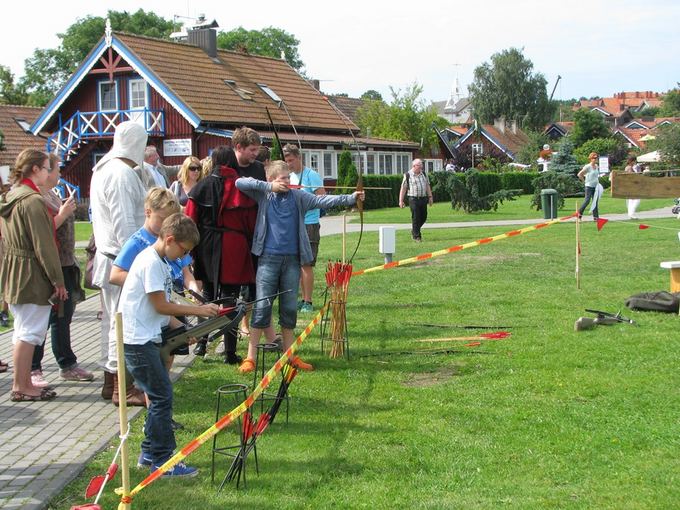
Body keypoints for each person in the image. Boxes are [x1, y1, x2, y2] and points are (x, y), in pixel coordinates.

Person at [235, 161, 363, 373]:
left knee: (288, 309)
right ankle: (251, 358)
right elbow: (240, 182)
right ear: (272, 180)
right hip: (268, 258)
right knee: (263, 306)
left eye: (288, 177)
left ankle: (290, 356)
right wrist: (269, 187)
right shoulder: (264, 195)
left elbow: (322, 200)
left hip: (292, 260)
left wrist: (351, 198)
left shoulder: (298, 197)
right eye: (282, 178)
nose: (287, 181)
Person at [119, 213, 219, 477]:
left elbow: (162, 311)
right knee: (162, 396)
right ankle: (163, 461)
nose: (182, 256)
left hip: (147, 337)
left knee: (160, 394)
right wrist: (198, 311)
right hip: (137, 341)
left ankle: (150, 453)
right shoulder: (150, 262)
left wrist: (184, 329)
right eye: (183, 250)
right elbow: (160, 305)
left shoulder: (161, 262)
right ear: (170, 239)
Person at [0, 149, 66, 402]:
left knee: (22, 330)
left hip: (15, 268)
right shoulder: (33, 200)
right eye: (47, 168)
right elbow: (44, 245)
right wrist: (57, 280)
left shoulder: (12, 196)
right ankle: (21, 384)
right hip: (31, 272)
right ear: (35, 169)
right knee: (29, 332)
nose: (50, 172)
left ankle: (24, 381)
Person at [90, 121, 148, 405]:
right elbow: (125, 224)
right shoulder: (120, 174)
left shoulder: (104, 169)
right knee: (119, 324)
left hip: (111, 255)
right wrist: (137, 262)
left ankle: (109, 382)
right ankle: (120, 389)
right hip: (119, 258)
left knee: (111, 323)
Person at [185, 145, 259, 362]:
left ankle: (201, 345)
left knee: (208, 294)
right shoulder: (241, 188)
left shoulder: (201, 187)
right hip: (233, 246)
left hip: (206, 245)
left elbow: (190, 221)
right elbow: (251, 224)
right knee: (230, 299)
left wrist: (191, 249)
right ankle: (229, 353)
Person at [30, 153, 94, 386]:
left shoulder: (50, 194)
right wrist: (63, 214)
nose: (57, 174)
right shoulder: (36, 198)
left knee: (62, 317)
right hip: (49, 266)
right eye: (54, 169)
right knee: (43, 319)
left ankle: (67, 363)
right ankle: (33, 367)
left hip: (65, 263)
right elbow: (42, 232)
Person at [283, 143, 325, 313]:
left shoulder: (311, 175)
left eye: (291, 160)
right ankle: (302, 298)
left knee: (306, 264)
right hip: (294, 224)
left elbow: (322, 198)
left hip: (309, 224)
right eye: (286, 161)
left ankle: (308, 301)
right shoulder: (289, 176)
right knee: (297, 264)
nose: (289, 164)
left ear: (299, 157)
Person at [398, 159, 433, 242]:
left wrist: (430, 197)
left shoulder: (424, 174)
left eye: (421, 165)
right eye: (419, 165)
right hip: (413, 199)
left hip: (423, 198)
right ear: (414, 166)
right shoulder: (408, 175)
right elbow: (403, 188)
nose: (421, 167)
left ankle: (414, 230)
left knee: (424, 217)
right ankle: (417, 236)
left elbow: (427, 186)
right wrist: (401, 201)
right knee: (416, 217)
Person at [577, 152, 601, 221]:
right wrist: (584, 181)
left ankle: (596, 218)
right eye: (594, 158)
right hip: (589, 186)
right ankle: (579, 214)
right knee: (587, 201)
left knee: (595, 202)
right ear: (591, 159)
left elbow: (596, 176)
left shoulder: (596, 166)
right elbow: (579, 174)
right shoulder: (588, 166)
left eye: (596, 158)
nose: (595, 159)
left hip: (595, 186)